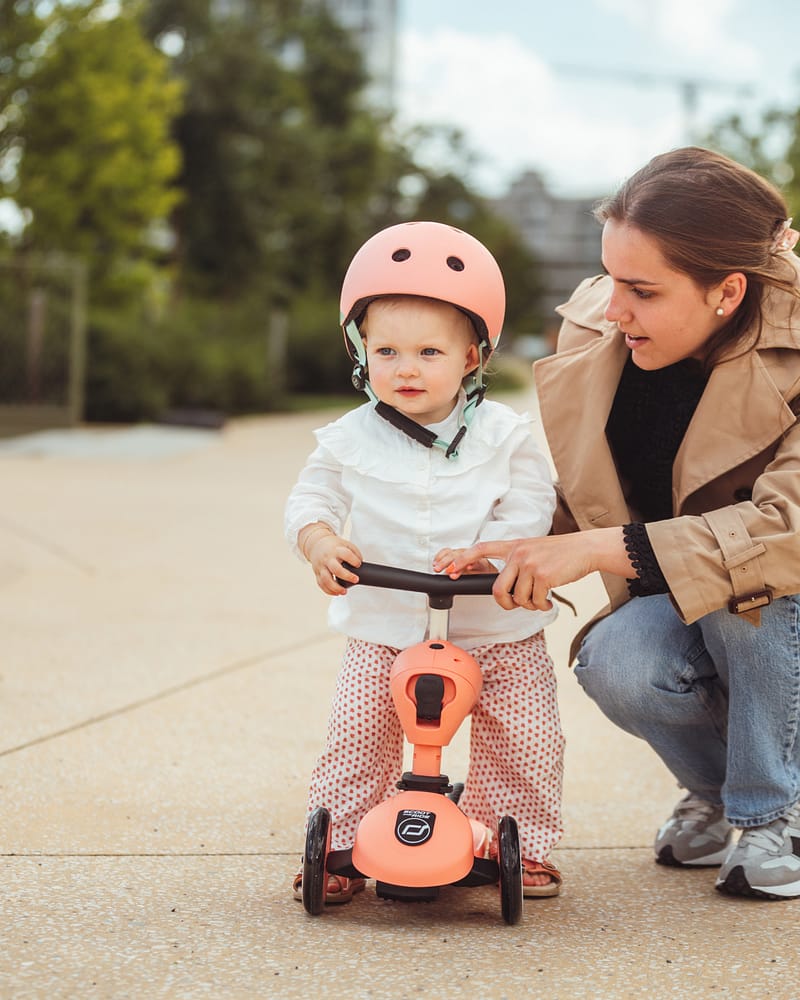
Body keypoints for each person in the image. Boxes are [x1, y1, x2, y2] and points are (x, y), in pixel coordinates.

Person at [445, 146, 800, 901]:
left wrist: (603, 549)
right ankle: (717, 795)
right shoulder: (601, 333)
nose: (614, 309)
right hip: (680, 590)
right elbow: (589, 492)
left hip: (779, 603)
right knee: (617, 662)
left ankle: (778, 812)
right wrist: (513, 540)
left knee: (747, 597)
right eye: (610, 278)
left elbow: (785, 530)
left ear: (726, 292)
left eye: (641, 289)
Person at [284, 221, 565, 903]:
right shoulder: (350, 436)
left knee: (524, 734)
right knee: (357, 731)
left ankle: (512, 839)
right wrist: (319, 537)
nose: (406, 368)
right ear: (361, 353)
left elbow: (534, 498)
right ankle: (343, 844)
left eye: (429, 351)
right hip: (385, 622)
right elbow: (310, 493)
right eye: (386, 350)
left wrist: (495, 546)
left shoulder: (503, 434)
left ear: (472, 356)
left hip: (494, 623)